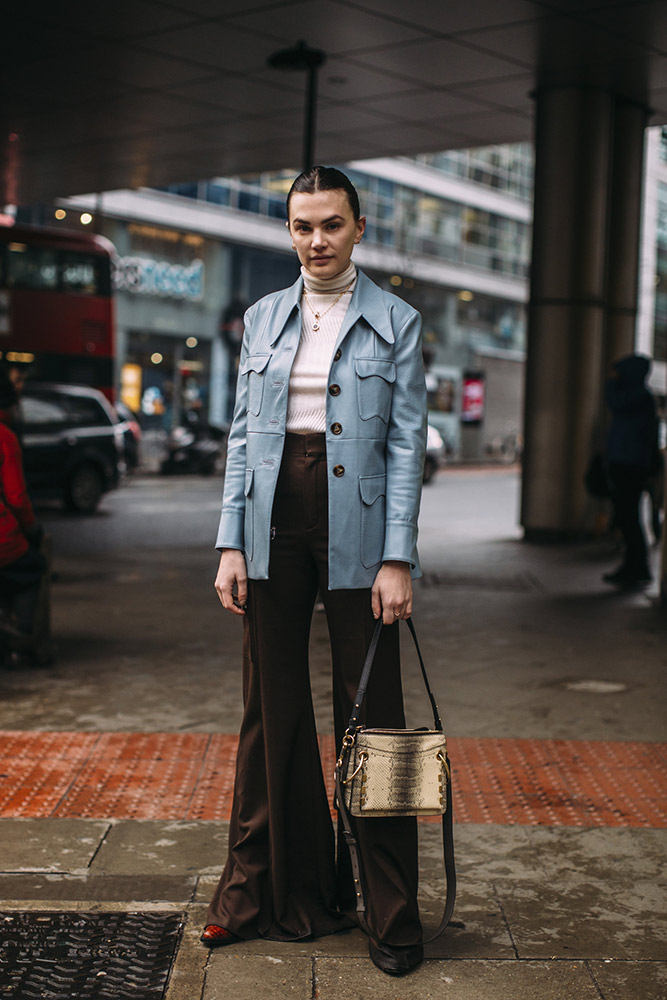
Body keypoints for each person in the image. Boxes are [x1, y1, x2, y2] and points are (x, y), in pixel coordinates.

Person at [201, 166, 427, 976]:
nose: (316, 241)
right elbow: (238, 438)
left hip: (359, 529)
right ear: (288, 229)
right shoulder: (262, 317)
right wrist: (230, 541)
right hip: (270, 526)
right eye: (302, 226)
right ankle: (261, 894)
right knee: (272, 712)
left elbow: (404, 448)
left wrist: (397, 556)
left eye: (331, 224)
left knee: (376, 720)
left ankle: (392, 913)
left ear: (358, 228)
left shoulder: (396, 320)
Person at [0, 366, 47, 667]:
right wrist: (31, 531)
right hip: (3, 540)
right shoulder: (5, 437)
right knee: (32, 568)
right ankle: (21, 644)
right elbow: (17, 497)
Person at [602, 353, 657, 588]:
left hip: (631, 465)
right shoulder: (640, 397)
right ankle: (632, 566)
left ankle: (638, 568)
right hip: (628, 463)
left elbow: (615, 403)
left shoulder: (638, 397)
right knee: (627, 518)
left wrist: (611, 385)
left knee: (629, 518)